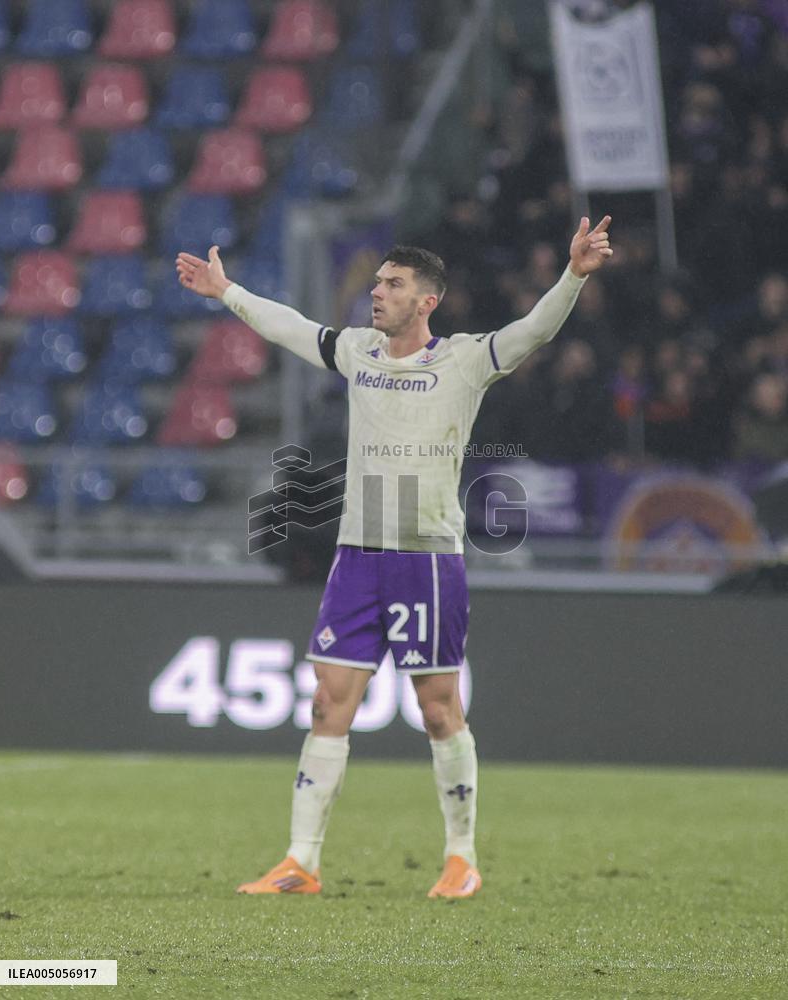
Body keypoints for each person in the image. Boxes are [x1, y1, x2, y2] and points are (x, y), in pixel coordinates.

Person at [175, 215, 613, 898]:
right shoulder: (358, 351)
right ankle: (300, 862)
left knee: (438, 710)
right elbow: (292, 327)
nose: (376, 292)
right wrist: (227, 290)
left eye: (392, 283)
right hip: (355, 557)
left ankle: (461, 859)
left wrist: (571, 277)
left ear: (426, 301)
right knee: (328, 704)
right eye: (377, 282)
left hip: (426, 559)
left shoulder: (464, 359)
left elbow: (532, 333)